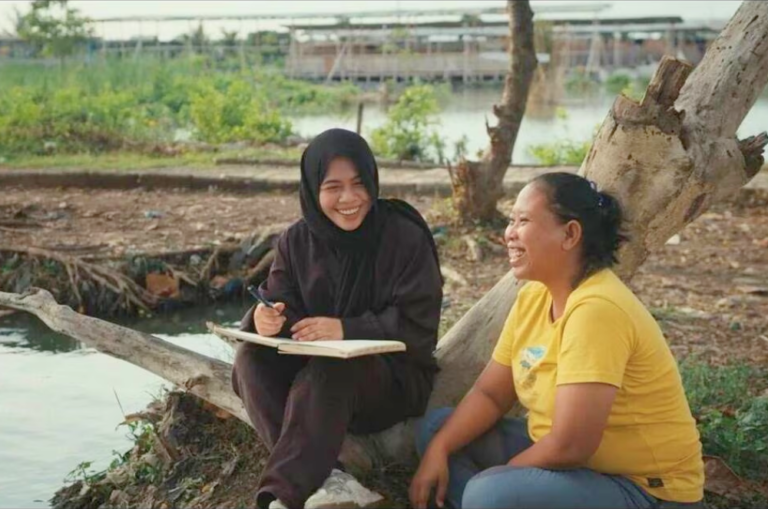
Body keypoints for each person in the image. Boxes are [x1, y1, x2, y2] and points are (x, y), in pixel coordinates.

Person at [410, 172, 704, 509]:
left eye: (523, 221)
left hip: (644, 491)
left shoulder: (597, 310)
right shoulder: (534, 297)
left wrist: (500, 479)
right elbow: (491, 395)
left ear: (570, 234)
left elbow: (571, 445)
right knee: (439, 431)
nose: (509, 233)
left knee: (489, 493)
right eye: (511, 220)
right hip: (576, 468)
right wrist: (438, 450)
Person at [231, 128, 443, 509]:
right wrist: (264, 318)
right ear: (314, 190)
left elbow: (419, 322)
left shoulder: (402, 235)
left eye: (358, 184)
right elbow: (279, 301)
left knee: (332, 369)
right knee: (249, 359)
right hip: (319, 383)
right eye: (333, 187)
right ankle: (331, 478)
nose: (349, 199)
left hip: (391, 381)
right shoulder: (297, 240)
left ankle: (279, 496)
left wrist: (347, 329)